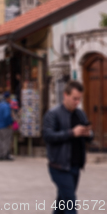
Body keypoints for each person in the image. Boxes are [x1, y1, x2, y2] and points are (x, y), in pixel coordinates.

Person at [43, 81, 93, 214]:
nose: (77, 102)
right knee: (70, 203)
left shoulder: (80, 114)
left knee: (62, 202)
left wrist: (88, 133)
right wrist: (71, 133)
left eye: (79, 99)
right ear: (65, 95)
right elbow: (48, 136)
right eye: (74, 98)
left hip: (75, 165)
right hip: (59, 166)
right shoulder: (53, 113)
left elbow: (89, 135)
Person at [0, 93, 13, 161]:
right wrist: (9, 123)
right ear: (7, 98)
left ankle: (0, 155)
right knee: (6, 141)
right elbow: (7, 116)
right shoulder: (6, 106)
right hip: (5, 126)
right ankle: (5, 155)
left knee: (0, 140)